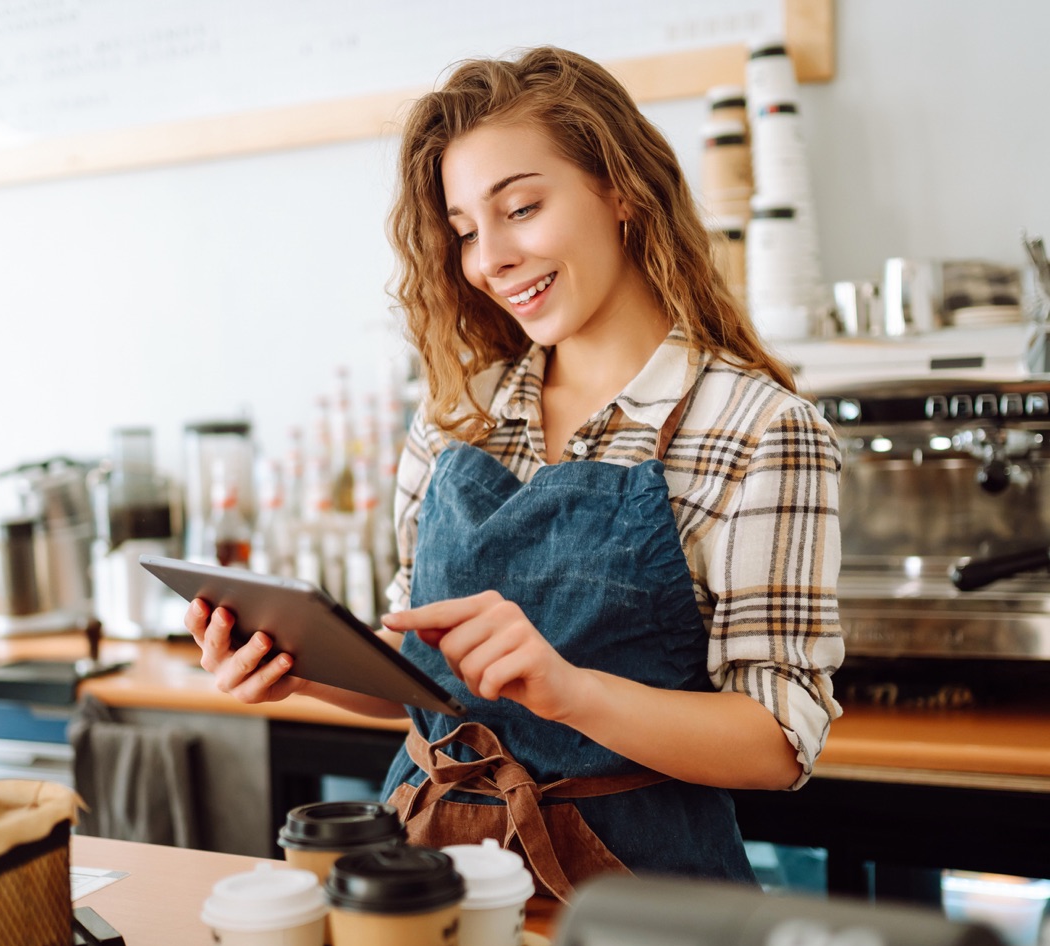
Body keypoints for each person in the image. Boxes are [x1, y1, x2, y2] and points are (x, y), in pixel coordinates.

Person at [185, 46, 844, 901]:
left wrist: (570, 693)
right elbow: (421, 684)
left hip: (634, 910)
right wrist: (301, 666)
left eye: (522, 208)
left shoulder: (762, 430)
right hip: (428, 881)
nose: (488, 258)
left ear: (621, 190)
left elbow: (777, 741)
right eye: (463, 231)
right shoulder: (457, 414)